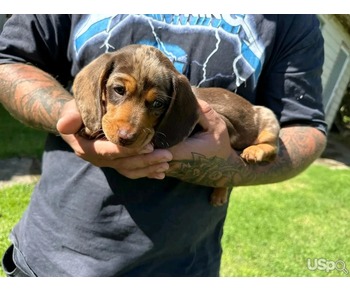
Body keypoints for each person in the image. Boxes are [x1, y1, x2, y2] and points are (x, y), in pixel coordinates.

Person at [0, 14, 327, 277]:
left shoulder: (290, 18)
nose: (128, 129)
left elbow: (306, 126)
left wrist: (228, 169)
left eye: (155, 105)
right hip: (52, 262)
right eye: (118, 91)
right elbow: (9, 59)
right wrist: (69, 115)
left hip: (182, 269)